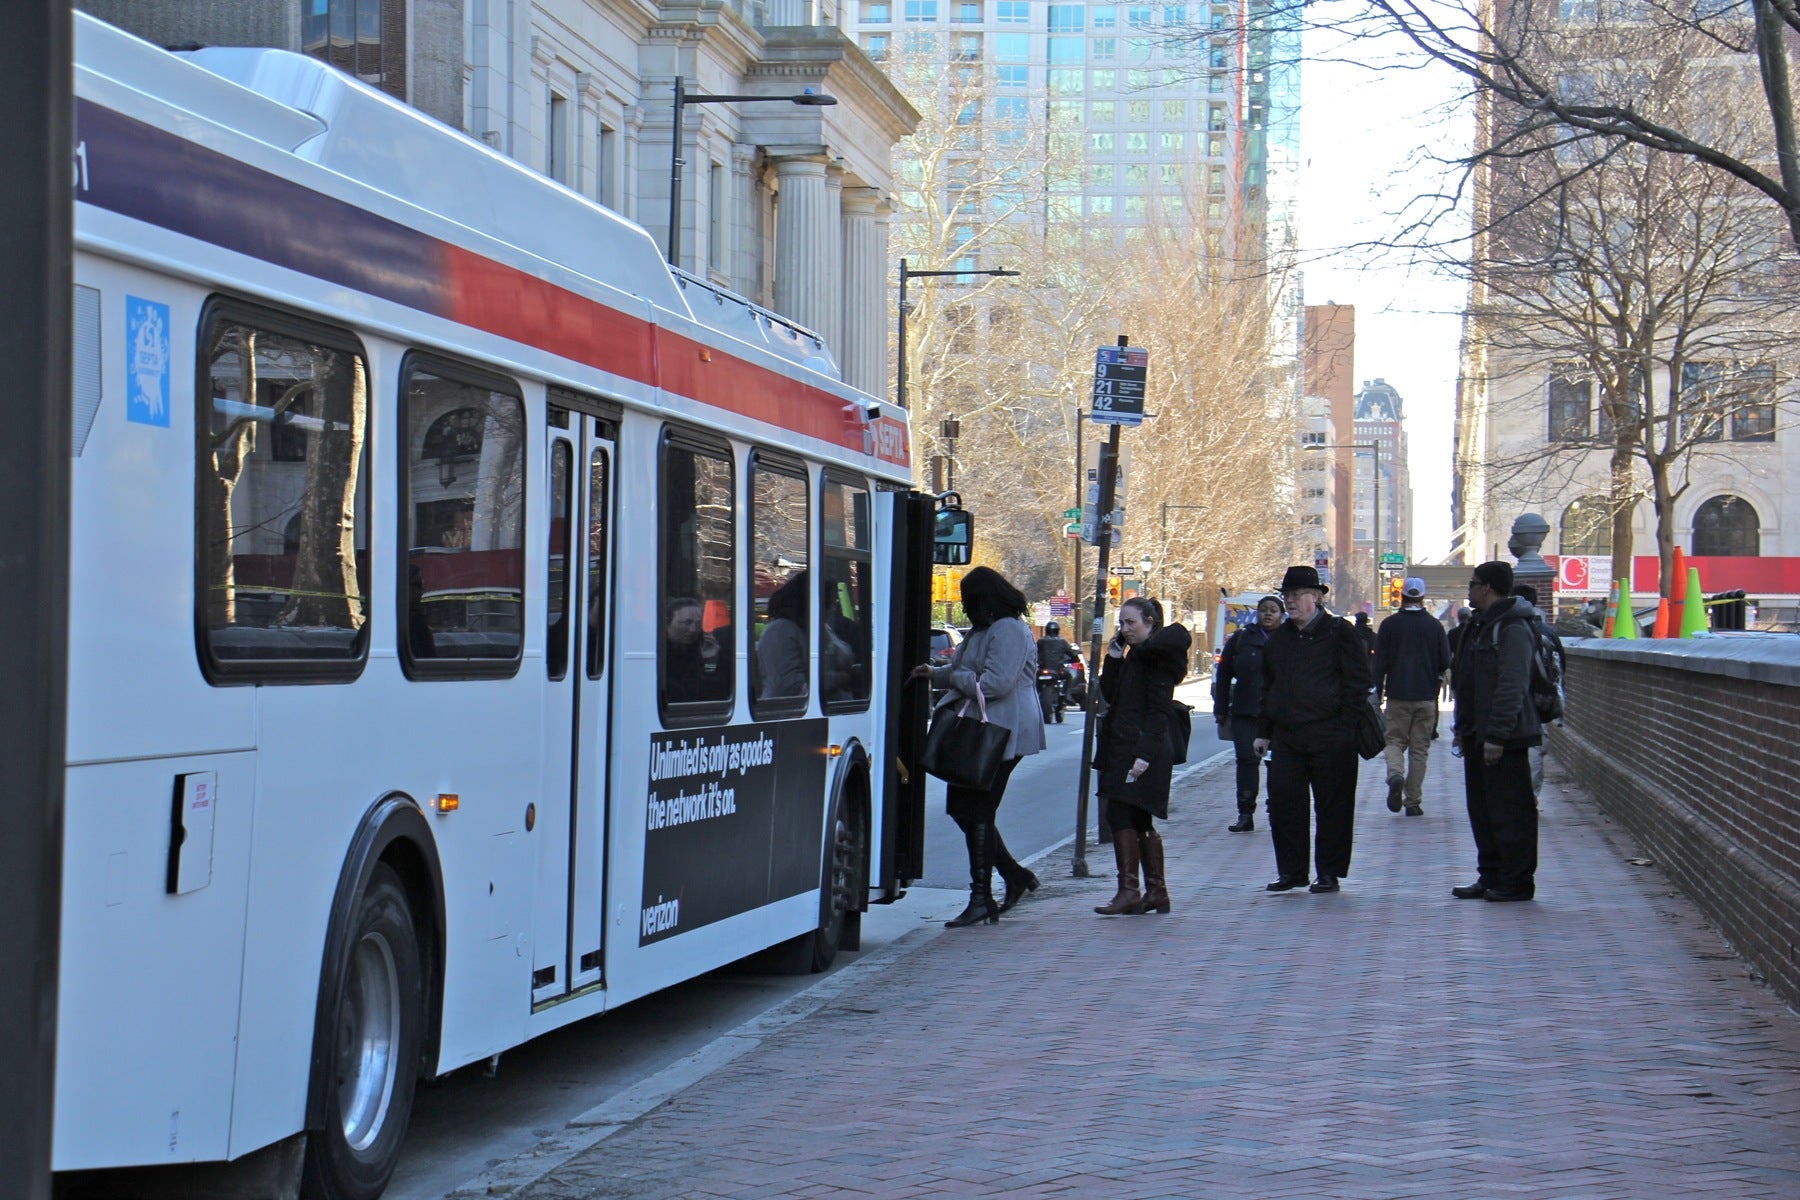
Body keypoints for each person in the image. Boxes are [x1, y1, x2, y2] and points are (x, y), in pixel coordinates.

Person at [909, 566, 1046, 927]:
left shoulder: (1010, 630)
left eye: (968, 602)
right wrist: (934, 672)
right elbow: (962, 668)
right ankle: (1014, 876)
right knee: (963, 808)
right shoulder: (985, 630)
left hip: (1002, 731)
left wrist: (953, 677)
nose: (965, 608)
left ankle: (982, 897)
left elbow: (996, 684)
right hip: (982, 727)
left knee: (978, 809)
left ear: (984, 600)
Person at [1253, 565, 1373, 894]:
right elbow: (1269, 688)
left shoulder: (1339, 632)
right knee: (1284, 804)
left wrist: (1345, 726)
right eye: (1286, 596)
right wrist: (1263, 731)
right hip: (1289, 737)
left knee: (1333, 806)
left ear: (1316, 598)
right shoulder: (1280, 640)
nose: (1289, 602)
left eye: (1296, 595)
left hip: (1332, 735)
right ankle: (1292, 872)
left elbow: (1358, 682)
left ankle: (1329, 872)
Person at [1092, 597, 1193, 915]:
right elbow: (1111, 695)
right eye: (1121, 623)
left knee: (1120, 814)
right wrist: (1114, 658)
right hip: (1125, 746)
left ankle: (1130, 891)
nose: (1124, 629)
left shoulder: (1157, 659)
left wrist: (1144, 755)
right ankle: (1155, 892)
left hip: (1141, 750)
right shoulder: (1136, 655)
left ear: (1149, 622)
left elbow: (1158, 710)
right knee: (1137, 817)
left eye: (1130, 622)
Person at [1450, 560, 1542, 902]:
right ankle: (1489, 875)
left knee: (1510, 811)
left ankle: (1517, 880)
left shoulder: (1513, 628)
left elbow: (1512, 685)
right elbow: (1465, 680)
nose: (1469, 589)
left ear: (1487, 587)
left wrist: (1497, 735)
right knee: (1483, 809)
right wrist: (1462, 727)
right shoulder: (1479, 625)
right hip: (1477, 733)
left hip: (1505, 738)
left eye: (1473, 583)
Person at [1374, 577, 1452, 817]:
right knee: (1420, 749)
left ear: (1403, 596)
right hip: (1426, 697)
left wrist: (1377, 693)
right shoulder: (1435, 627)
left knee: (1394, 741)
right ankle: (1413, 801)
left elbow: (1379, 664)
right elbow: (1445, 662)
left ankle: (1395, 774)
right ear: (1423, 597)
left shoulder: (1389, 625)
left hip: (1397, 694)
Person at [1212, 595, 1283, 833]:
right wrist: (1221, 708)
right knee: (1246, 762)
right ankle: (1245, 813)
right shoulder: (1242, 638)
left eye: (1273, 610)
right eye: (1263, 610)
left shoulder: (1290, 639)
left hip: (1280, 715)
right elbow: (1223, 674)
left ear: (1281, 614)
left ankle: (1277, 809)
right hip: (1246, 711)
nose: (1268, 614)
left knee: (1279, 764)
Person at [1510, 583, 1565, 800]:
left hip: (1516, 698)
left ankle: (1518, 795)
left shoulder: (1508, 628)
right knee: (1535, 747)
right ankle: (1530, 796)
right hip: (1541, 699)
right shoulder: (1548, 632)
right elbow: (1560, 670)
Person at [755, 571, 808, 703]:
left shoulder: (807, 628)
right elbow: (785, 681)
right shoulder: (780, 630)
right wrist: (837, 677)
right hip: (784, 708)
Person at [664, 597, 727, 703]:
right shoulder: (660, 651)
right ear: (667, 623)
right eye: (686, 623)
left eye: (698, 624)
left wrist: (711, 662)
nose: (693, 629)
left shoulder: (702, 645)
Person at [1035, 620, 1079, 723]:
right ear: (1057, 631)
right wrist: (1075, 658)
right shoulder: (1061, 641)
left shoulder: (1041, 641)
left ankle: (1035, 696)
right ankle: (1067, 695)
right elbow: (1072, 654)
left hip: (1042, 670)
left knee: (1035, 681)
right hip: (1058, 671)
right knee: (1069, 676)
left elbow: (1034, 652)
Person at [1444, 606, 1474, 700]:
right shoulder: (1475, 632)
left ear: (1459, 617)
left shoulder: (1453, 633)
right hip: (1473, 671)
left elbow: (1447, 653)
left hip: (1458, 670)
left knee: (1459, 700)